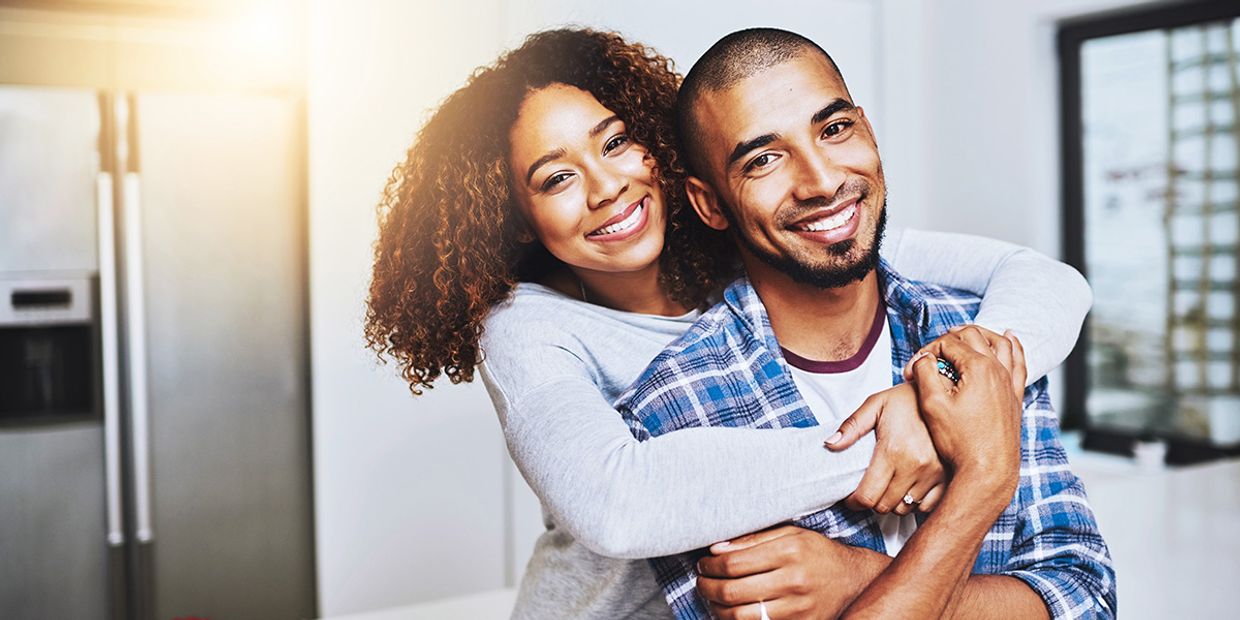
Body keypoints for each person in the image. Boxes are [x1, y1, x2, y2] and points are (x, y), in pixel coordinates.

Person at [363, 29, 1094, 620]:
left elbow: (1040, 279)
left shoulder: (760, 239)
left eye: (616, 142)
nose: (606, 185)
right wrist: (929, 435)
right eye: (556, 178)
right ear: (512, 216)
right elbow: (621, 505)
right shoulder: (529, 331)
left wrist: (944, 390)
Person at [615, 28, 1116, 619]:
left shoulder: (976, 335)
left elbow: (1084, 596)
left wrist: (856, 579)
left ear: (867, 130)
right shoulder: (675, 408)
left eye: (833, 130)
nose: (823, 180)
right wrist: (984, 476)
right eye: (764, 159)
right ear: (711, 204)